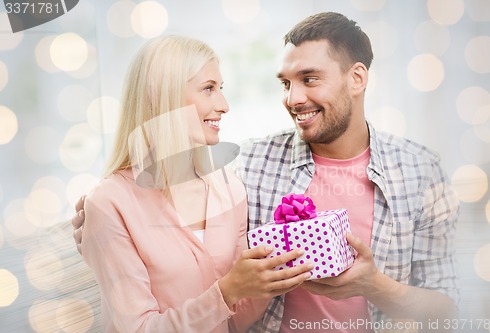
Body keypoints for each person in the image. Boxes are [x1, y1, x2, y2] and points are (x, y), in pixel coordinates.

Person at [73, 12, 460, 333]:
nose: (293, 99)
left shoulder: (420, 171)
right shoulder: (249, 166)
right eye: (286, 83)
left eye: (309, 79)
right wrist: (99, 223)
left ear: (357, 78)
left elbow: (447, 311)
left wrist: (376, 286)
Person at [78, 35, 313, 333]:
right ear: (163, 97)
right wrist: (226, 292)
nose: (224, 105)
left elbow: (235, 323)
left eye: (221, 89)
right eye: (208, 89)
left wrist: (270, 278)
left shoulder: (228, 187)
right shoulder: (109, 203)